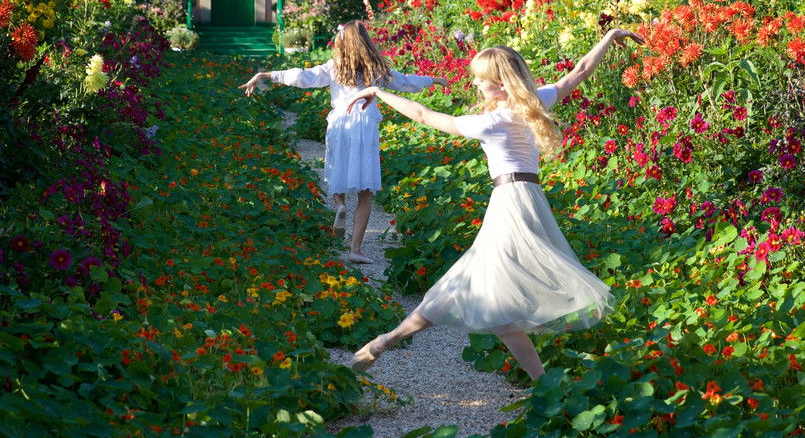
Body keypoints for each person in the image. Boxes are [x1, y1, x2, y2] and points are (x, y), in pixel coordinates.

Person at [344, 28, 640, 378]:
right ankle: (541, 382)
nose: (476, 86)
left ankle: (386, 341)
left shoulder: (492, 122)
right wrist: (610, 36)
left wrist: (378, 91)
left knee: (483, 289)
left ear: (500, 83)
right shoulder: (534, 104)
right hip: (529, 200)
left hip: (510, 204)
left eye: (481, 80)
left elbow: (424, 116)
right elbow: (579, 71)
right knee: (492, 297)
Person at [240, 20, 443, 263]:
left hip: (340, 123)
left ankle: (339, 206)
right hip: (365, 124)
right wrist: (434, 80)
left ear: (341, 42)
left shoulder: (334, 67)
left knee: (336, 170)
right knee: (366, 192)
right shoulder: (375, 68)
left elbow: (303, 77)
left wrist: (266, 74)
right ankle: (356, 250)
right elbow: (405, 82)